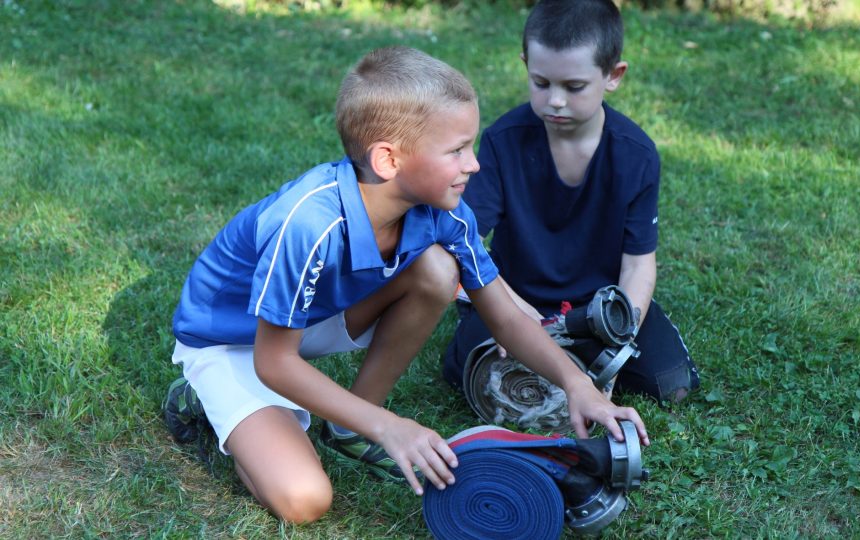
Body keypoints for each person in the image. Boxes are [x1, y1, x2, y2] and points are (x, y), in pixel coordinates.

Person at [162, 46, 648, 524]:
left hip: (305, 321)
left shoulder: (447, 211)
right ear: (389, 160)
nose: (473, 164)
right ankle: (202, 397)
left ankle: (349, 426)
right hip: (233, 342)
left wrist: (577, 383)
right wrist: (391, 426)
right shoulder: (308, 224)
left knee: (438, 271)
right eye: (457, 150)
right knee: (305, 500)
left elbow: (503, 314)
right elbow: (273, 361)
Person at [443, 0, 700, 404]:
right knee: (477, 379)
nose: (555, 101)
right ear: (526, 64)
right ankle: (547, 353)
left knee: (671, 384)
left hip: (598, 308)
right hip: (511, 298)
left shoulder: (636, 154)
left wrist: (621, 332)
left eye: (574, 87)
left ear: (613, 76)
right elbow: (464, 242)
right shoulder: (501, 141)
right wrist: (518, 316)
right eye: (541, 83)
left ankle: (576, 351)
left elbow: (638, 264)